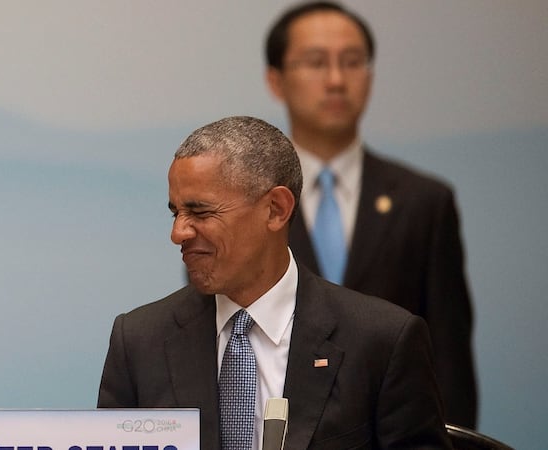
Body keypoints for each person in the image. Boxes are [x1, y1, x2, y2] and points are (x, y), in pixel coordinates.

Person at [97, 116, 452, 450]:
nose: (178, 233)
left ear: (276, 209)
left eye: (201, 212)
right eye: (176, 213)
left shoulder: (381, 343)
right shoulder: (140, 341)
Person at [264, 1, 477, 427]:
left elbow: (449, 361)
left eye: (353, 62)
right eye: (316, 63)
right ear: (277, 81)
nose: (337, 80)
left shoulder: (423, 202)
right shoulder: (247, 202)